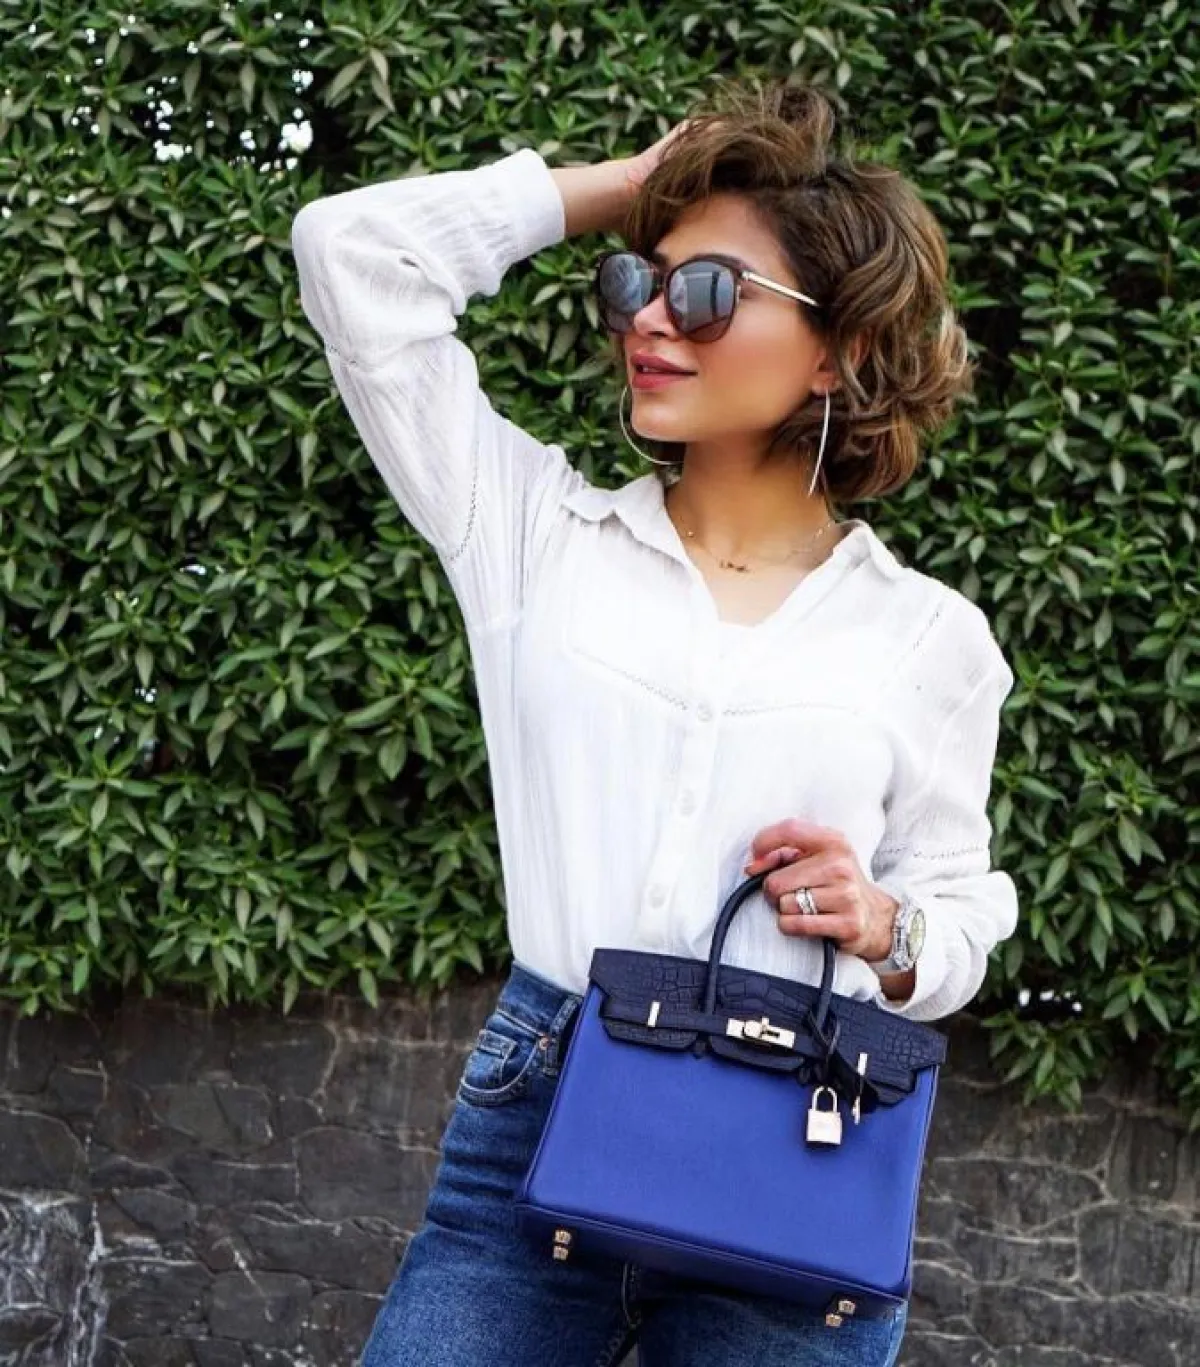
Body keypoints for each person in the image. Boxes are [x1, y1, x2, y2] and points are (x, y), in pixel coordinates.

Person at [290, 79, 1018, 1367]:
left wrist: (884, 925)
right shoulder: (532, 538)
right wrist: (624, 189)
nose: (651, 319)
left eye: (710, 292)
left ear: (838, 351)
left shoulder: (931, 641)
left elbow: (956, 920)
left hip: (799, 1149)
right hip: (542, 1113)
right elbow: (351, 254)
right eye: (640, 283)